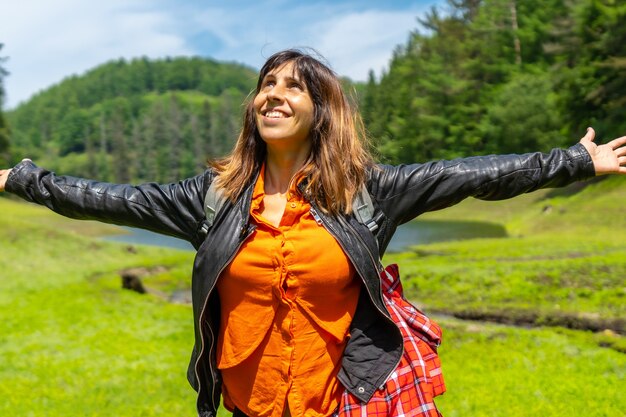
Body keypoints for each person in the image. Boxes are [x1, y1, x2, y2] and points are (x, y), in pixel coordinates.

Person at [1, 49, 625, 417]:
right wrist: (18, 180)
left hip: (344, 403)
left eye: (292, 87)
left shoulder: (366, 193)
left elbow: (465, 175)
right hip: (250, 407)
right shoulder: (211, 199)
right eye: (265, 85)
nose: (273, 95)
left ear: (321, 110)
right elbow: (109, 199)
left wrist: (575, 161)